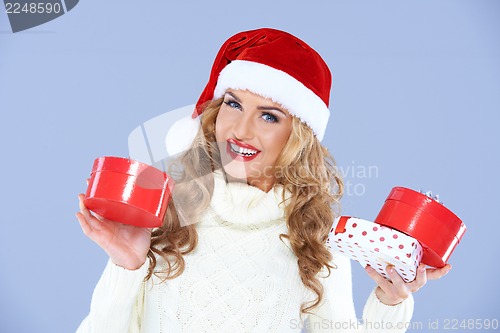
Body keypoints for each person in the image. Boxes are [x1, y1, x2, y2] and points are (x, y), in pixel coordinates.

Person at [75, 28, 451, 333]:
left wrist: (390, 303)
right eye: (233, 104)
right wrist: (127, 268)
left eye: (268, 116)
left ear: (298, 136)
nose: (240, 130)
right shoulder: (169, 211)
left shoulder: (314, 238)